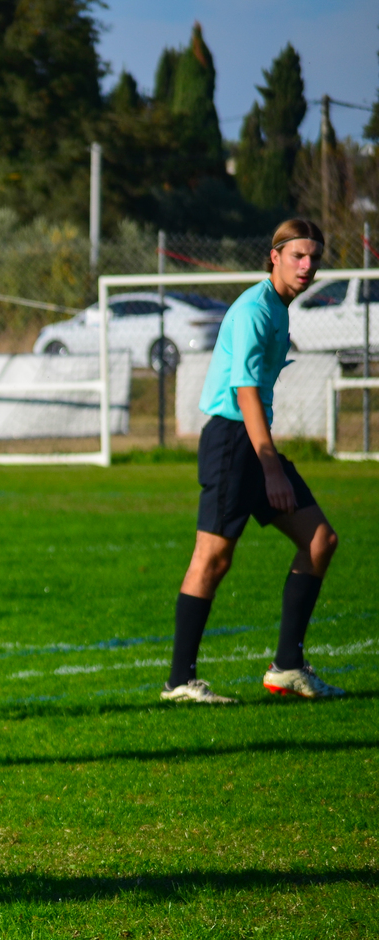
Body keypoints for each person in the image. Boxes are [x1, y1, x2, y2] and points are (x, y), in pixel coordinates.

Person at [163, 218, 343, 703]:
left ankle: (287, 667)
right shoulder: (254, 310)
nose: (307, 266)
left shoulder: (278, 309)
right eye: (298, 256)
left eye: (314, 258)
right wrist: (270, 468)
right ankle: (179, 682)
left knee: (320, 540)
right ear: (274, 256)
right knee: (213, 557)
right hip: (232, 442)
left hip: (252, 442)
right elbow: (244, 391)